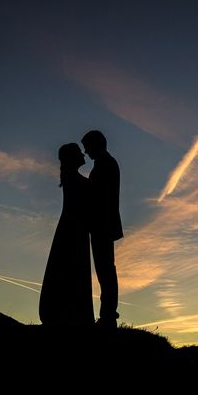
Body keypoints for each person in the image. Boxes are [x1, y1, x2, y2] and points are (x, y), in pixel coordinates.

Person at [39, 143, 95, 326]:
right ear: (73, 157)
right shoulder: (73, 177)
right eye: (79, 152)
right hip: (73, 228)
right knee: (71, 268)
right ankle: (71, 314)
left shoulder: (72, 177)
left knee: (70, 269)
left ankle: (72, 313)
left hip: (73, 227)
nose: (83, 154)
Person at [81, 130, 123, 328]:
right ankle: (107, 315)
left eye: (87, 147)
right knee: (105, 270)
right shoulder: (104, 163)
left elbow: (100, 196)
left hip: (102, 224)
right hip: (102, 224)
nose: (86, 152)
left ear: (96, 145)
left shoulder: (106, 164)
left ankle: (108, 316)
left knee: (105, 270)